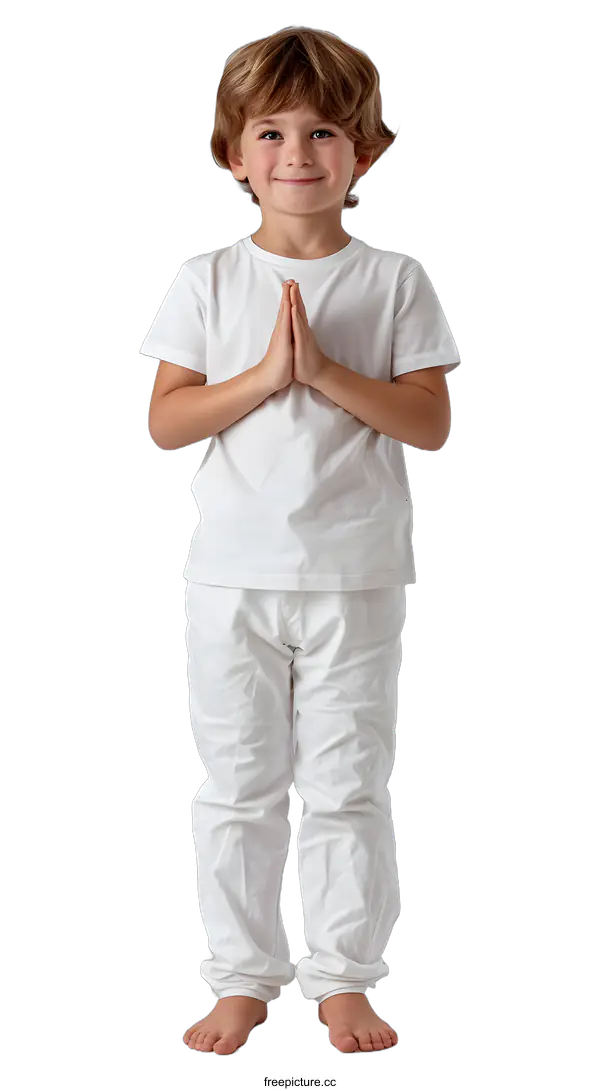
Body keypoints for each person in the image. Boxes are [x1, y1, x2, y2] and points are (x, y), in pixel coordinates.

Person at [139, 26, 460, 1057]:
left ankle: (344, 980)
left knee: (347, 781)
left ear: (364, 154)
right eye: (270, 133)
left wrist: (322, 370)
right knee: (237, 780)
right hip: (234, 577)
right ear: (234, 155)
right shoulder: (208, 282)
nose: (297, 154)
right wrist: (266, 375)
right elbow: (168, 421)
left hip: (354, 575)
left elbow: (428, 422)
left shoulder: (395, 282)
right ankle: (242, 978)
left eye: (324, 132)